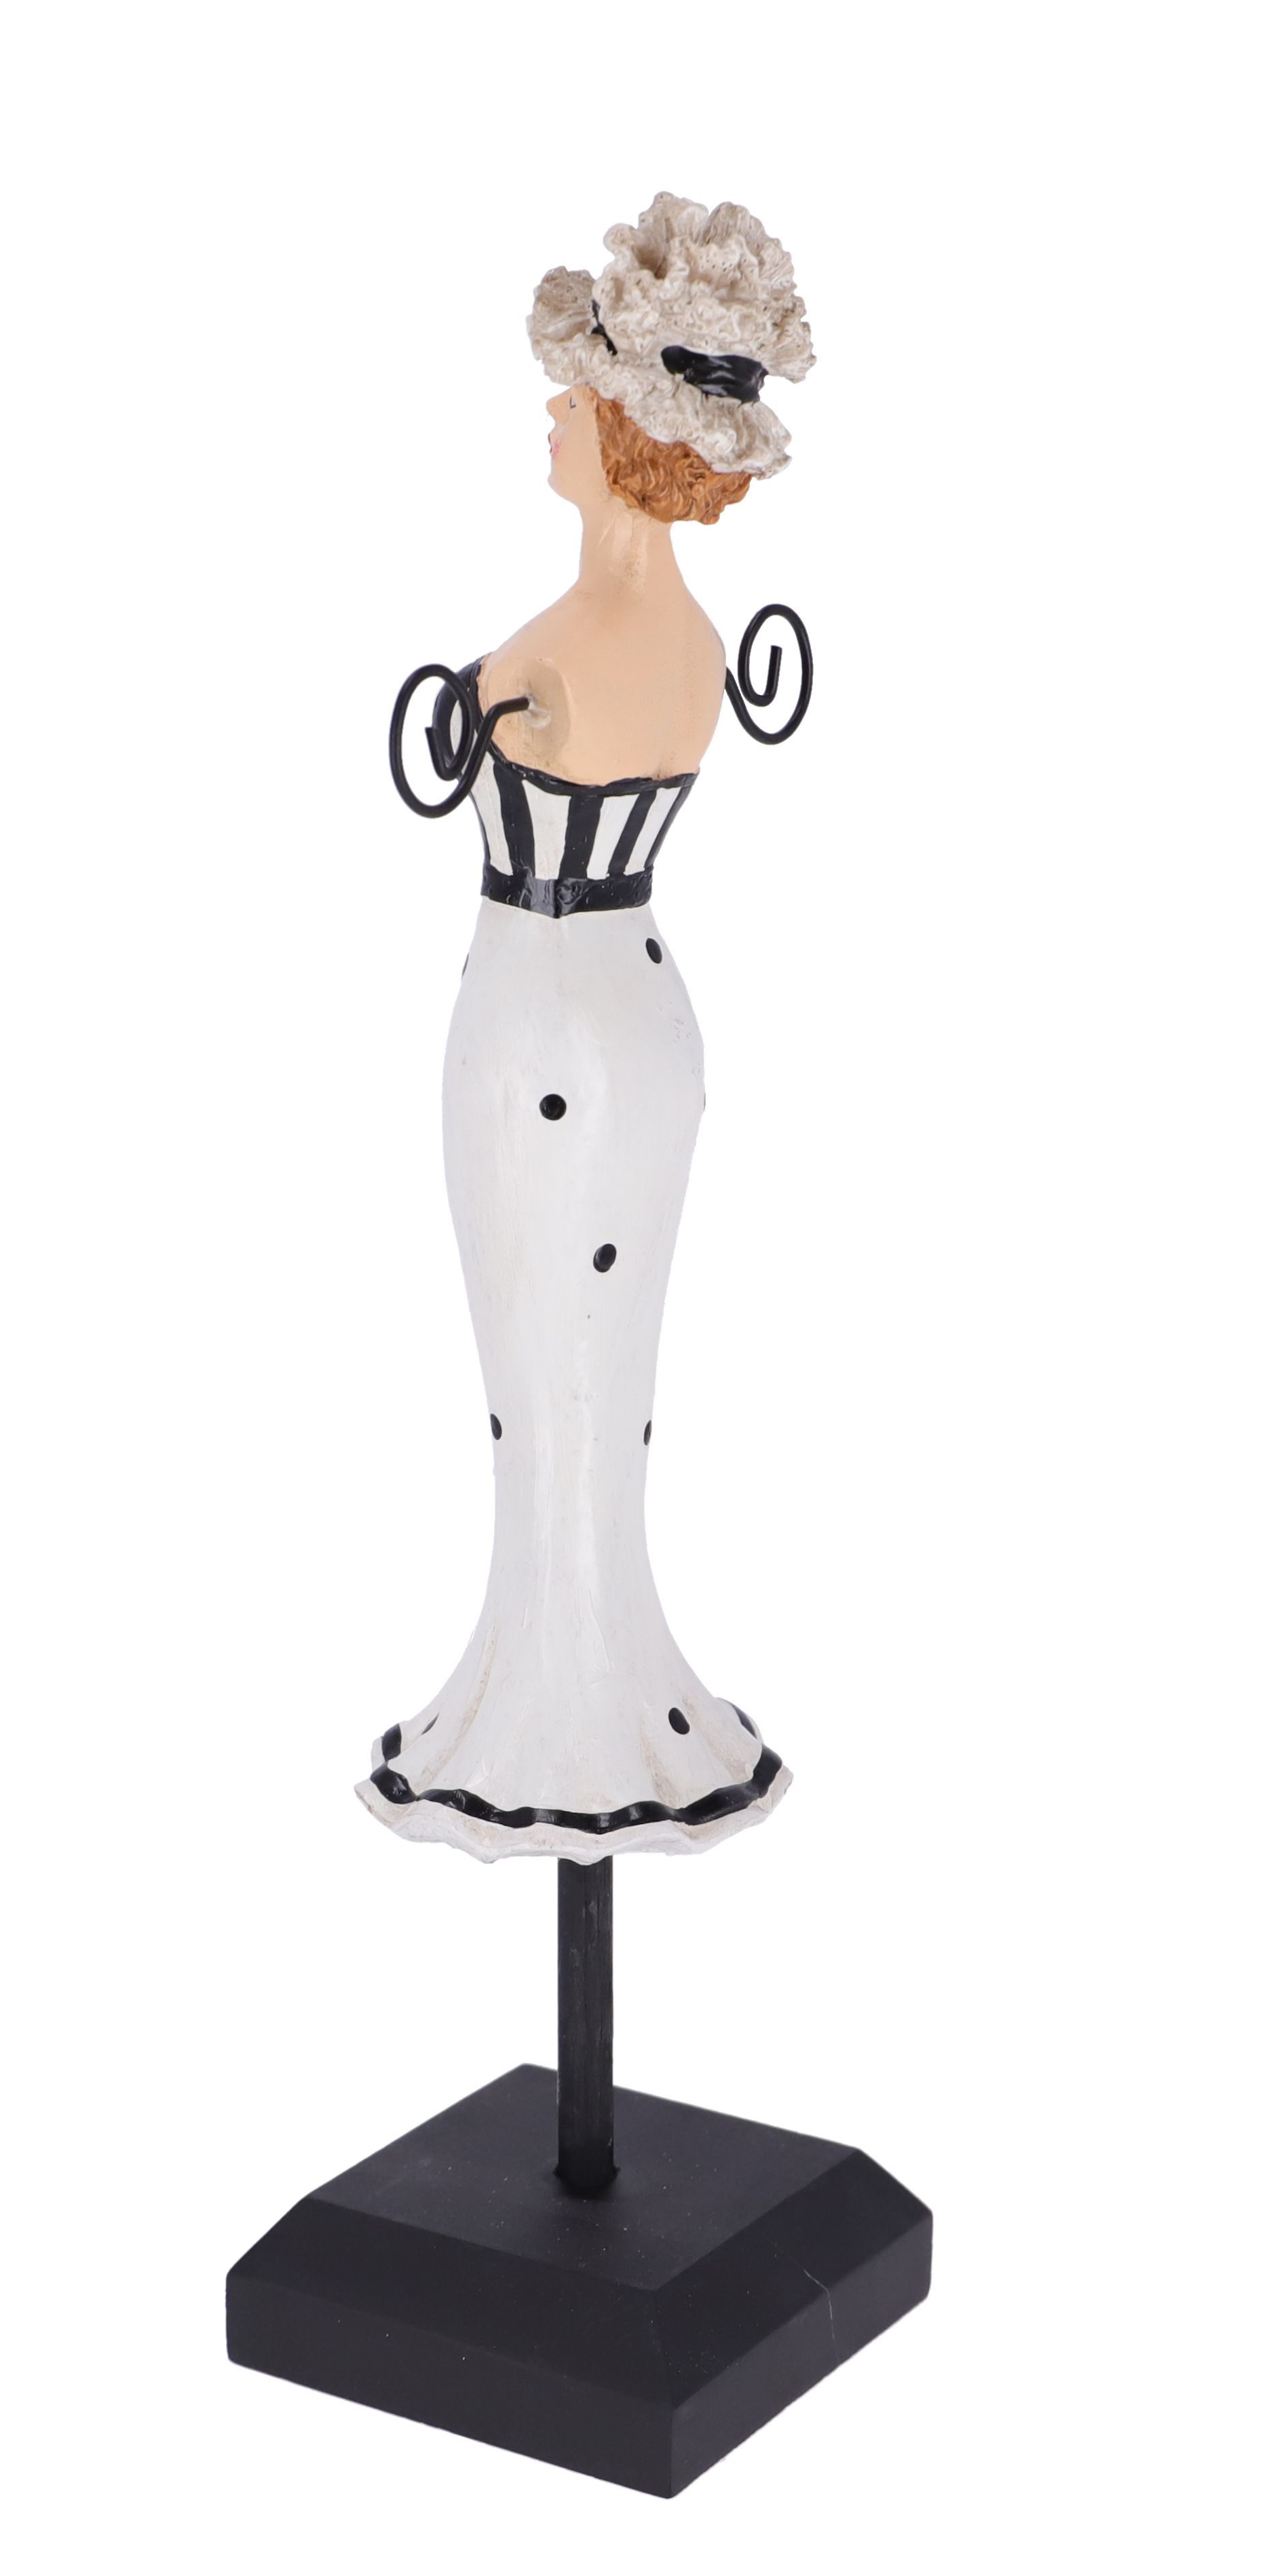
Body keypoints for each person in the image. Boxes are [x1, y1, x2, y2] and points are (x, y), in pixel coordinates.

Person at [361, 195, 813, 1863]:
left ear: (627, 425)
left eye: (580, 383)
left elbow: (441, 758)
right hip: (643, 1025)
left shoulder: (550, 655)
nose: (552, 406)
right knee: (592, 1381)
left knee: (544, 1378)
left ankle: (557, 1705)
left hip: (536, 1025)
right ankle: (588, 1668)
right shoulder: (694, 643)